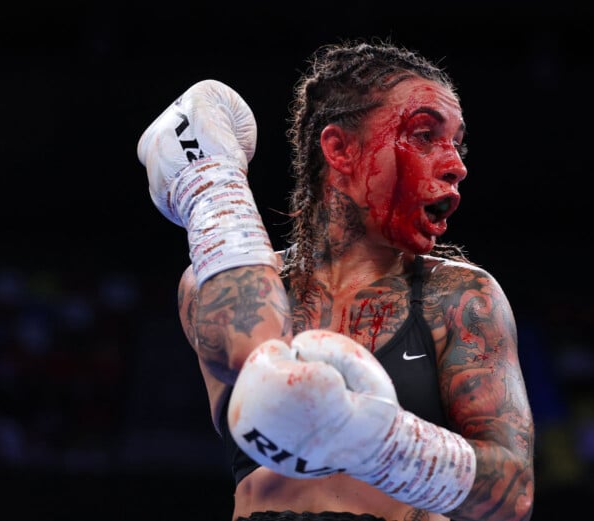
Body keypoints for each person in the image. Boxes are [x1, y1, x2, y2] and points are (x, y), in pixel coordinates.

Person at [137, 39, 534, 521]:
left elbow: (513, 495)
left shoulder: (460, 298)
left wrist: (379, 441)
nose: (456, 164)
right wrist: (212, 191)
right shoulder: (208, 284)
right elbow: (251, 354)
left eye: (456, 142)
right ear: (340, 149)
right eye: (426, 135)